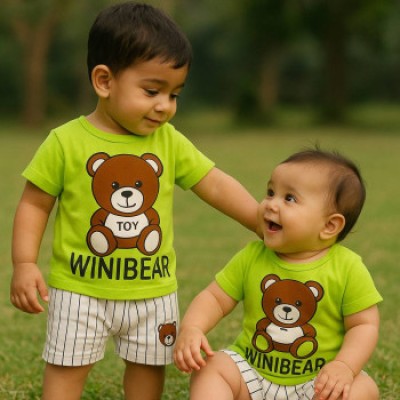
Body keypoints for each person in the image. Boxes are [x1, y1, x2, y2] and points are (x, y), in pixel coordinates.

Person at [10, 2, 259, 400]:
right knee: (66, 367)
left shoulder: (168, 141)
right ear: (104, 81)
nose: (165, 106)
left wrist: (260, 219)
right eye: (152, 91)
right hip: (79, 290)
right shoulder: (65, 142)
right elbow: (34, 205)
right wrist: (24, 263)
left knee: (147, 368)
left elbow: (213, 184)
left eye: (174, 94)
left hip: (152, 291)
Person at [174, 148, 382, 400]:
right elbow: (215, 298)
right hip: (252, 374)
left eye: (289, 198)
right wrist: (193, 327)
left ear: (329, 225)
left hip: (318, 382)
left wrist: (344, 366)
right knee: (211, 368)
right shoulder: (252, 257)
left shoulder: (348, 268)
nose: (271, 204)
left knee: (362, 388)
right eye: (271, 192)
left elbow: (364, 324)